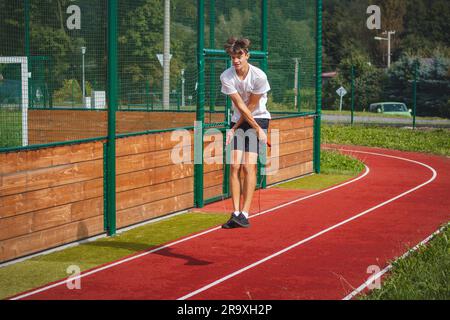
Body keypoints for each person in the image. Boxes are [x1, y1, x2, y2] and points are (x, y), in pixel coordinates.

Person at [220, 37, 271, 229]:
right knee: (234, 166)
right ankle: (235, 213)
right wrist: (233, 128)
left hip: (259, 118)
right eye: (233, 56)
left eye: (239, 56)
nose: (236, 60)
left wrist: (259, 130)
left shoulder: (259, 77)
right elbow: (240, 106)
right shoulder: (226, 77)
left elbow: (252, 105)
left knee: (249, 167)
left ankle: (245, 214)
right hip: (239, 119)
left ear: (247, 56)